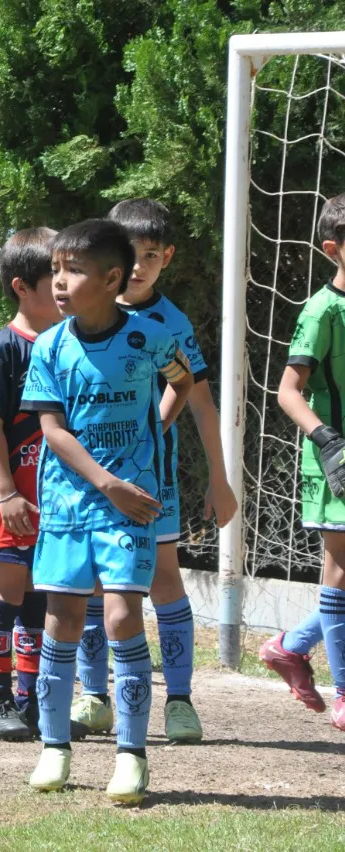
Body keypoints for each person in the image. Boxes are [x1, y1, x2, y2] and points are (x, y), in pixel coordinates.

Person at [22, 219, 194, 805]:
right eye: (56, 270)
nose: (61, 281)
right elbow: (52, 429)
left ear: (113, 278)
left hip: (133, 506)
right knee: (63, 619)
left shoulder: (149, 337)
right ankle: (54, 747)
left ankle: (131, 755)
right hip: (71, 503)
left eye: (74, 270)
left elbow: (184, 379)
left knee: (122, 617)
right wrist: (106, 483)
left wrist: (155, 434)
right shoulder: (49, 346)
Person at [71, 199, 237, 745]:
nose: (139, 267)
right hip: (89, 482)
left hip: (151, 484)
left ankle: (181, 701)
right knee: (93, 581)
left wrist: (219, 477)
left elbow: (199, 400)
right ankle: (95, 696)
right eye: (130, 254)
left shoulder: (171, 323)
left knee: (164, 579)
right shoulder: (83, 314)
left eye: (150, 256)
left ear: (166, 258)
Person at [0, 228, 60, 740]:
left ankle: (31, 701)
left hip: (52, 500)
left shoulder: (67, 342)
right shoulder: (5, 347)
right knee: (6, 594)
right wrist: (6, 492)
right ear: (23, 286)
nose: (66, 286)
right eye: (56, 277)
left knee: (38, 601)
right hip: (8, 497)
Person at [269, 193, 345, 730]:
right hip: (336, 460)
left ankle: (290, 646)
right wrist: (329, 442)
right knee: (340, 568)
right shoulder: (322, 310)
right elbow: (287, 391)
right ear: (333, 249)